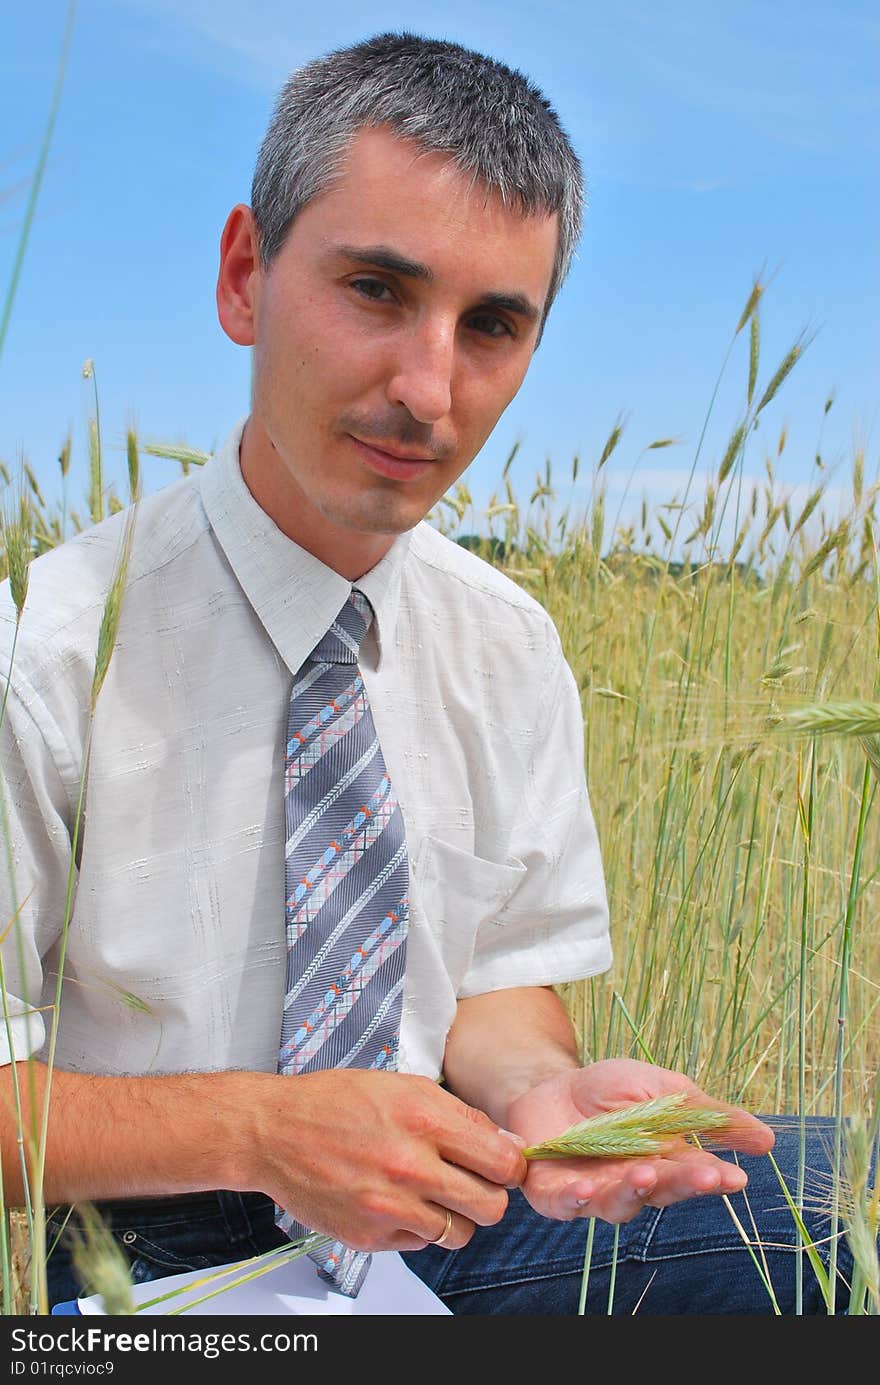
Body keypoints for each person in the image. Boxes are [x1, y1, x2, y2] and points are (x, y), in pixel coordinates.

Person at [0, 31, 862, 1316]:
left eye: (494, 325)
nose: (428, 389)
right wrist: (258, 1130)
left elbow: (500, 979)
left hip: (440, 1203)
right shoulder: (50, 645)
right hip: (117, 1255)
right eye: (376, 291)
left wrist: (538, 1093)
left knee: (827, 1214)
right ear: (246, 276)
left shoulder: (506, 641)